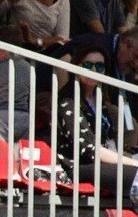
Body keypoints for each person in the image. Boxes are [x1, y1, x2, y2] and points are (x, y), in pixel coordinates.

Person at [56, 45, 138, 197]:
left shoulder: (101, 103)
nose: (94, 71)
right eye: (88, 65)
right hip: (79, 166)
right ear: (77, 67)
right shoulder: (67, 102)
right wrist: (133, 162)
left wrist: (130, 156)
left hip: (103, 164)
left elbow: (109, 142)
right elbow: (90, 148)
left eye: (100, 67)